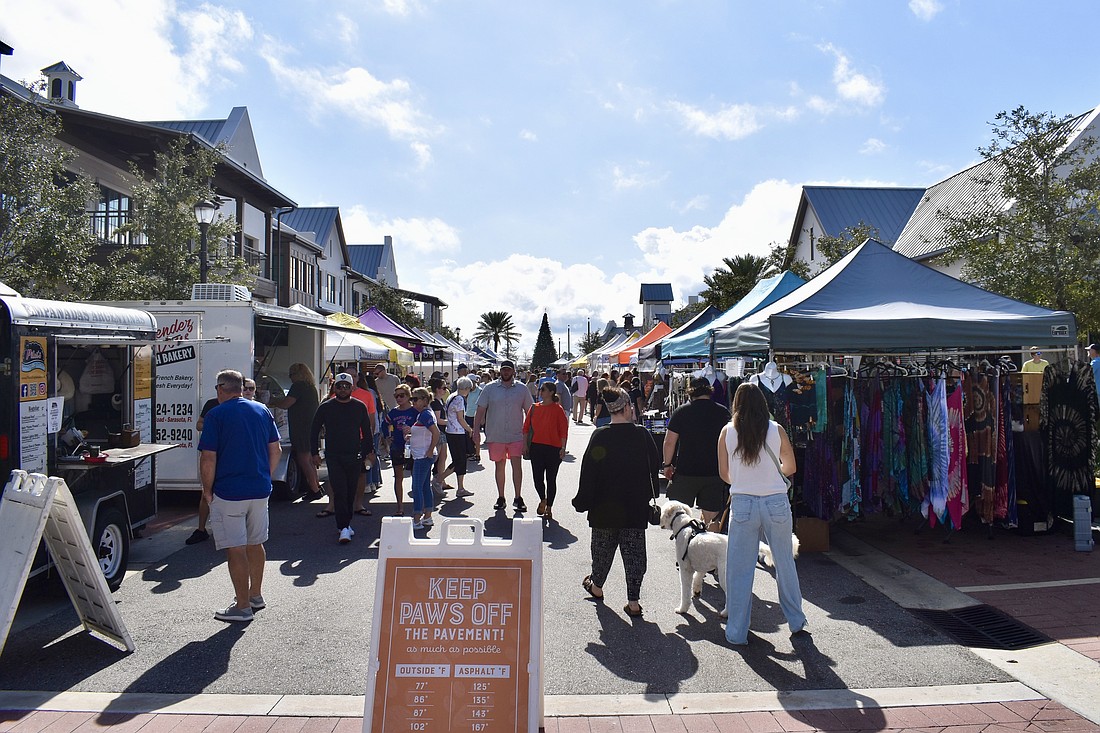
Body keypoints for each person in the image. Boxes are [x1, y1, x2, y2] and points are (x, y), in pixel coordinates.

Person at [718, 382, 807, 646]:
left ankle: (736, 631)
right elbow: (790, 467)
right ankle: (796, 620)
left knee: (739, 568)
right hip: (775, 502)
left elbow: (724, 474)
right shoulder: (776, 429)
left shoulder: (727, 432)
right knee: (784, 562)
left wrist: (744, 479)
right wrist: (771, 471)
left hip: (743, 502)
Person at [199, 369, 281, 622]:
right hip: (259, 488)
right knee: (256, 543)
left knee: (235, 549)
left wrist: (207, 490)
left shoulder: (216, 414)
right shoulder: (261, 410)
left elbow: (208, 458)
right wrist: (264, 475)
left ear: (221, 388)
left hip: (230, 491)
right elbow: (275, 450)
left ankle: (242, 606)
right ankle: (255, 595)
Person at [572, 387, 658, 618]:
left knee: (601, 550)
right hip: (635, 505)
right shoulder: (642, 435)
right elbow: (654, 467)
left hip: (603, 507)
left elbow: (588, 472)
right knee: (635, 555)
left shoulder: (600, 435)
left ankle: (597, 586)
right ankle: (633, 601)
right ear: (628, 407)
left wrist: (582, 501)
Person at [310, 373, 375, 544]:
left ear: (352, 388)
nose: (343, 389)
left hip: (355, 455)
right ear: (334, 388)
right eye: (340, 386)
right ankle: (344, 527)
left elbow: (367, 432)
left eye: (347, 386)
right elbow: (314, 429)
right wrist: (314, 453)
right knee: (339, 491)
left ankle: (346, 524)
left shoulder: (360, 406)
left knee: (350, 492)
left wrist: (370, 452)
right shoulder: (326, 407)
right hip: (334, 455)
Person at [662, 377, 732, 527]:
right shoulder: (722, 412)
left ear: (690, 392)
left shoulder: (681, 412)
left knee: (680, 518)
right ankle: (711, 546)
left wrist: (667, 464)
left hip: (686, 471)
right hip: (714, 471)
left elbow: (669, 442)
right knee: (712, 518)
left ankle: (686, 547)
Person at [473, 359, 533, 513]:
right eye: (504, 369)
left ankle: (518, 497)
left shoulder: (522, 389)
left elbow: (530, 412)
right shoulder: (490, 388)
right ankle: (501, 497)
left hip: (516, 434)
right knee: (499, 465)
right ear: (500, 371)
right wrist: (475, 431)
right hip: (496, 434)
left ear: (513, 371)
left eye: (509, 370)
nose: (506, 372)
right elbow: (480, 410)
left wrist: (531, 433)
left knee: (517, 466)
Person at [266, 363, 322, 502]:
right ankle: (316, 486)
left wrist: (271, 401)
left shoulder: (299, 386)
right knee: (309, 459)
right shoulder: (311, 387)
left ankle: (314, 489)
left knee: (303, 459)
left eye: (291, 375)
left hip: (301, 428)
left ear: (297, 374)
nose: (290, 378)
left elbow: (286, 403)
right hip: (310, 427)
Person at [523, 381, 569, 520]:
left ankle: (549, 507)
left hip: (553, 448)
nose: (540, 391)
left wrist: (563, 447)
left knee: (551, 479)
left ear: (550, 392)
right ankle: (542, 499)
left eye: (543, 389)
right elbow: (526, 428)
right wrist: (525, 445)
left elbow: (563, 430)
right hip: (536, 447)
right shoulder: (534, 408)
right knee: (537, 478)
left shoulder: (558, 409)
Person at [186, 387, 224, 545]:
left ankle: (233, 532)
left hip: (232, 455)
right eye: (216, 387)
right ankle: (201, 530)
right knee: (206, 492)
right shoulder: (212, 404)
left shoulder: (248, 406)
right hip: (213, 453)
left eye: (251, 389)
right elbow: (199, 425)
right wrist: (213, 421)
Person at [408, 386, 441, 530]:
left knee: (417, 487)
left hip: (422, 456)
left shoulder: (425, 414)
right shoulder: (424, 413)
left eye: (415, 399)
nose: (412, 402)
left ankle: (417, 518)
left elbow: (436, 432)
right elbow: (427, 433)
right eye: (412, 399)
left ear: (424, 400)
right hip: (423, 455)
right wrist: (412, 436)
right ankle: (427, 516)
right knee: (424, 486)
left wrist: (429, 450)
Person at [437, 377, 476, 498]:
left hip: (451, 430)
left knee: (459, 460)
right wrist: (469, 429)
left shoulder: (452, 396)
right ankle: (439, 479)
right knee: (459, 461)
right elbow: (460, 418)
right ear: (466, 388)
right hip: (457, 432)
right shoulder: (459, 399)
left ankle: (460, 487)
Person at [386, 384, 418, 516]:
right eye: (396, 396)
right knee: (398, 477)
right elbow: (386, 424)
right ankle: (400, 507)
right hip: (398, 446)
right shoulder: (393, 412)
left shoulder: (415, 412)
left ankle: (418, 506)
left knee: (416, 477)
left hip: (415, 446)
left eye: (402, 395)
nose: (399, 398)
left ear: (408, 396)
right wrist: (388, 436)